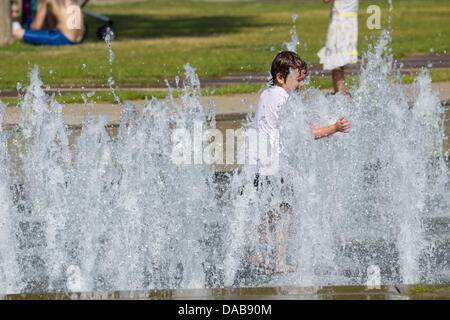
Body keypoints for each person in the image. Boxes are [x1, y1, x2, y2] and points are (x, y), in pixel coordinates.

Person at [251, 51, 351, 273]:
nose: (303, 84)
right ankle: (279, 262)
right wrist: (333, 128)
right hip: (279, 167)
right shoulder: (284, 99)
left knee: (268, 213)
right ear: (280, 77)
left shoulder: (266, 95)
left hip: (261, 165)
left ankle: (258, 255)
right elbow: (306, 134)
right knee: (285, 214)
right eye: (298, 79)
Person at [318, 0, 359, 98]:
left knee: (336, 62)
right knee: (340, 60)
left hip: (340, 22)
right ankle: (342, 93)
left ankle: (341, 96)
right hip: (351, 19)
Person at [12, 0, 84, 45]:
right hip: (79, 38)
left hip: (65, 37)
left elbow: (36, 27)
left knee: (16, 33)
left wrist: (29, 29)